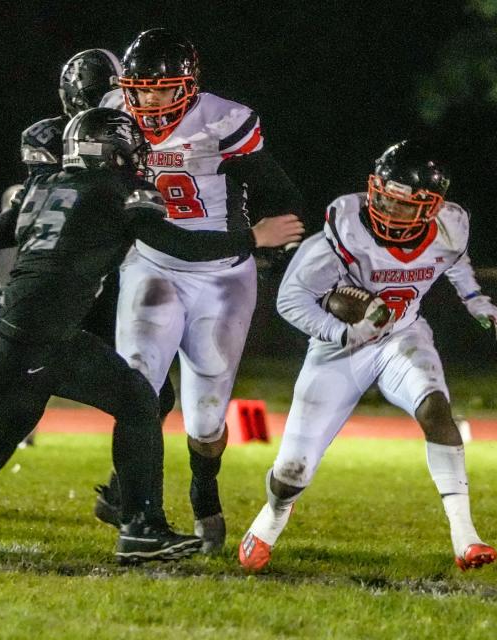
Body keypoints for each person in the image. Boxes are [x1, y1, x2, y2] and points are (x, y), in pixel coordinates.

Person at [0, 107, 304, 563]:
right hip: (42, 340)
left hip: (0, 334)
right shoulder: (117, 190)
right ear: (117, 152)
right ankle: (140, 526)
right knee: (139, 401)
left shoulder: (41, 188)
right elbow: (178, 244)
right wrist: (252, 237)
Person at [0, 48, 177, 545]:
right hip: (56, 289)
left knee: (151, 392)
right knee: (14, 417)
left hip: (101, 282)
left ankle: (126, 498)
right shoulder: (52, 143)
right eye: (106, 98)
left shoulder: (127, 142)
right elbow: (30, 219)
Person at [238, 140, 497, 573]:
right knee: (291, 472)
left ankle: (466, 537)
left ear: (430, 208)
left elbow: (453, 260)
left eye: (400, 204)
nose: (385, 208)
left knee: (436, 409)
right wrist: (344, 331)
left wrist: (476, 299)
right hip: (338, 350)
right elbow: (290, 301)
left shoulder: (449, 228)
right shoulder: (343, 233)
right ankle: (271, 518)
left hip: (402, 335)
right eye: (382, 195)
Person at [93, 28, 304, 553]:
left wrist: (280, 248)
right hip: (152, 265)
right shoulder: (116, 111)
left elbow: (279, 192)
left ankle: (203, 491)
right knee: (137, 387)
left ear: (187, 86)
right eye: (138, 89)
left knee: (206, 418)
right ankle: (141, 518)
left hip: (222, 276)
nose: (147, 100)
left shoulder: (224, 121)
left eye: (160, 89)